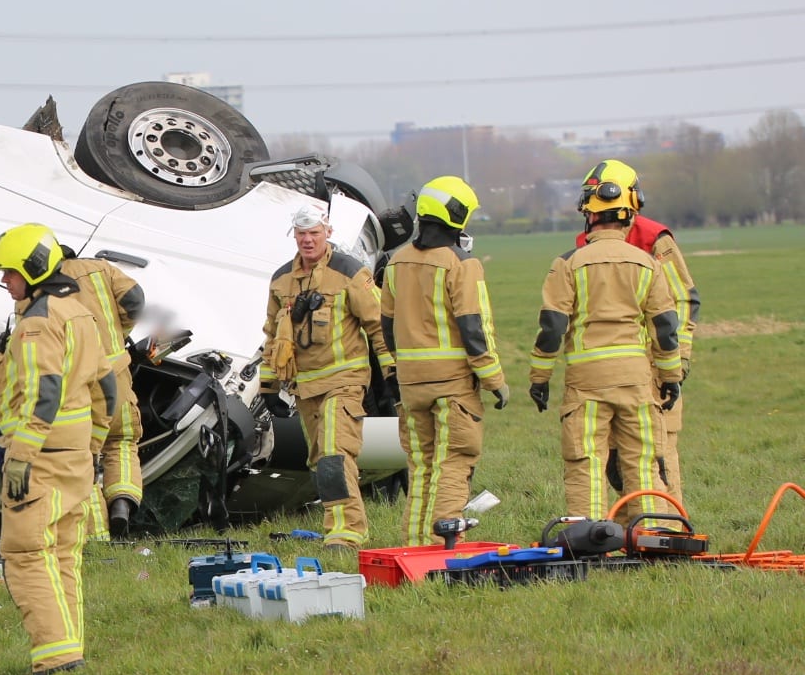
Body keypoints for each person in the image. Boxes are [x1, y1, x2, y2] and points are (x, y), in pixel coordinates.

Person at [0, 223, 111, 675]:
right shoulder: (78, 312)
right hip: (75, 456)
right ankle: (68, 650)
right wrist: (94, 445)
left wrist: (21, 453)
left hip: (40, 460)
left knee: (25, 555)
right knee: (62, 555)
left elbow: (44, 391)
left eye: (9, 273)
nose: (5, 281)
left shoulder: (37, 322)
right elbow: (108, 385)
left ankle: (55, 659)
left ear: (32, 269)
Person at [531, 166, 684, 524]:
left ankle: (592, 539)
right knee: (644, 462)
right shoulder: (648, 263)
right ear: (630, 213)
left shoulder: (568, 264)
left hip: (586, 383)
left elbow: (552, 327)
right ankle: (653, 536)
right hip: (636, 381)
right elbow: (664, 327)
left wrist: (540, 378)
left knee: (586, 462)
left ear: (588, 214)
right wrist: (671, 376)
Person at [379, 176, 510, 546]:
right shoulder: (461, 264)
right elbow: (473, 327)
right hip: (452, 384)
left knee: (420, 467)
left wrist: (397, 371)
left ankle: (415, 544)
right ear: (457, 215)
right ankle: (441, 547)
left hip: (410, 383)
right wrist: (495, 380)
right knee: (454, 462)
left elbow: (386, 327)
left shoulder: (396, 262)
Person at [259, 203, 391, 547]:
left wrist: (392, 371)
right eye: (301, 234)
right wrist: (269, 384)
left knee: (334, 452)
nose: (307, 240)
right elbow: (272, 335)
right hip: (305, 387)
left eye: (314, 233)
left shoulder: (350, 273)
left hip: (345, 381)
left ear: (327, 234)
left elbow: (378, 325)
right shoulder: (281, 280)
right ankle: (339, 523)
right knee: (320, 460)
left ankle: (346, 531)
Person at [575, 160, 701, 505]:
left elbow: (684, 301)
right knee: (616, 463)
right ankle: (631, 532)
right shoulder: (585, 244)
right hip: (609, 372)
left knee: (657, 458)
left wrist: (676, 362)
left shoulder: (654, 240)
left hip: (653, 367)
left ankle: (670, 533)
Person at [58, 247, 146, 538]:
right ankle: (121, 504)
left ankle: (97, 536)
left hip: (76, 385)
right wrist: (120, 335)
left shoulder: (38, 286)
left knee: (84, 455)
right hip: (116, 374)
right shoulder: (100, 269)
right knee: (121, 441)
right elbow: (134, 300)